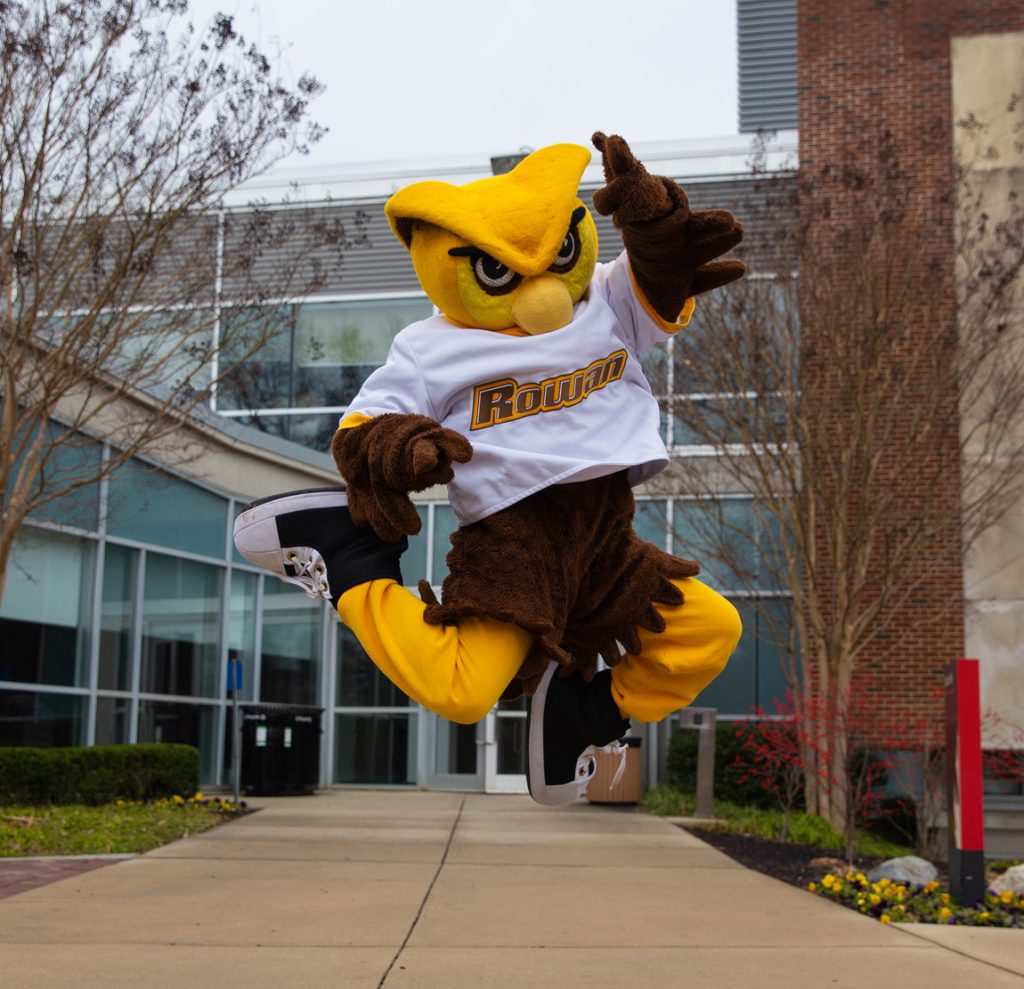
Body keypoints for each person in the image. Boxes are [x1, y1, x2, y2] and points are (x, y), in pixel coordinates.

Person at [234, 133, 743, 805]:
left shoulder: (603, 300)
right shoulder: (431, 347)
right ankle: (352, 564)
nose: (543, 298)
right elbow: (361, 431)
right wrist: (401, 446)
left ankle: (579, 711)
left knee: (709, 627)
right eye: (502, 273)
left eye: (559, 256)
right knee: (464, 690)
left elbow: (657, 282)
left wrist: (656, 231)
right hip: (517, 544)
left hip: (604, 542)